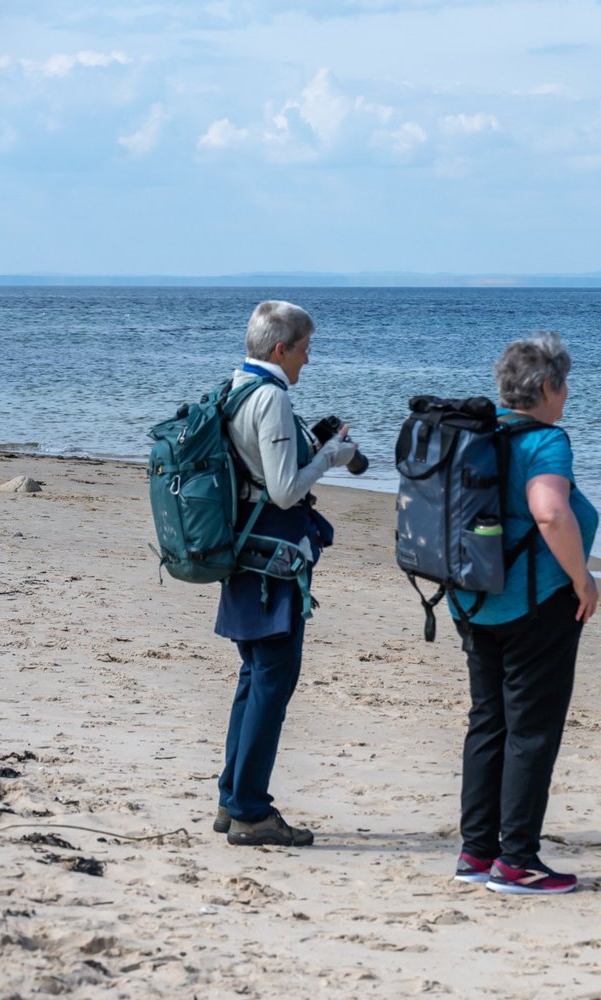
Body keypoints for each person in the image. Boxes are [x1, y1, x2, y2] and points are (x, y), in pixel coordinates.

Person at [451, 332, 599, 894]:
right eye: (564, 386)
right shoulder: (545, 441)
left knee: (488, 721)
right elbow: (549, 512)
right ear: (547, 386)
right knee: (531, 730)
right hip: (535, 604)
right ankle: (516, 861)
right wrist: (582, 579)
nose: (566, 397)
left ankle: (477, 852)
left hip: (474, 598)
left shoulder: (482, 435)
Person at [212, 300, 358, 847]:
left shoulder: (236, 387)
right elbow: (284, 490)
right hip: (271, 559)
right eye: (304, 348)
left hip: (243, 550)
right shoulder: (271, 397)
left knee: (255, 677)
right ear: (281, 348)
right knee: (272, 679)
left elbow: (259, 471)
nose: (308, 359)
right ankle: (250, 809)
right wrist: (332, 458)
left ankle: (233, 799)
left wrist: (313, 448)